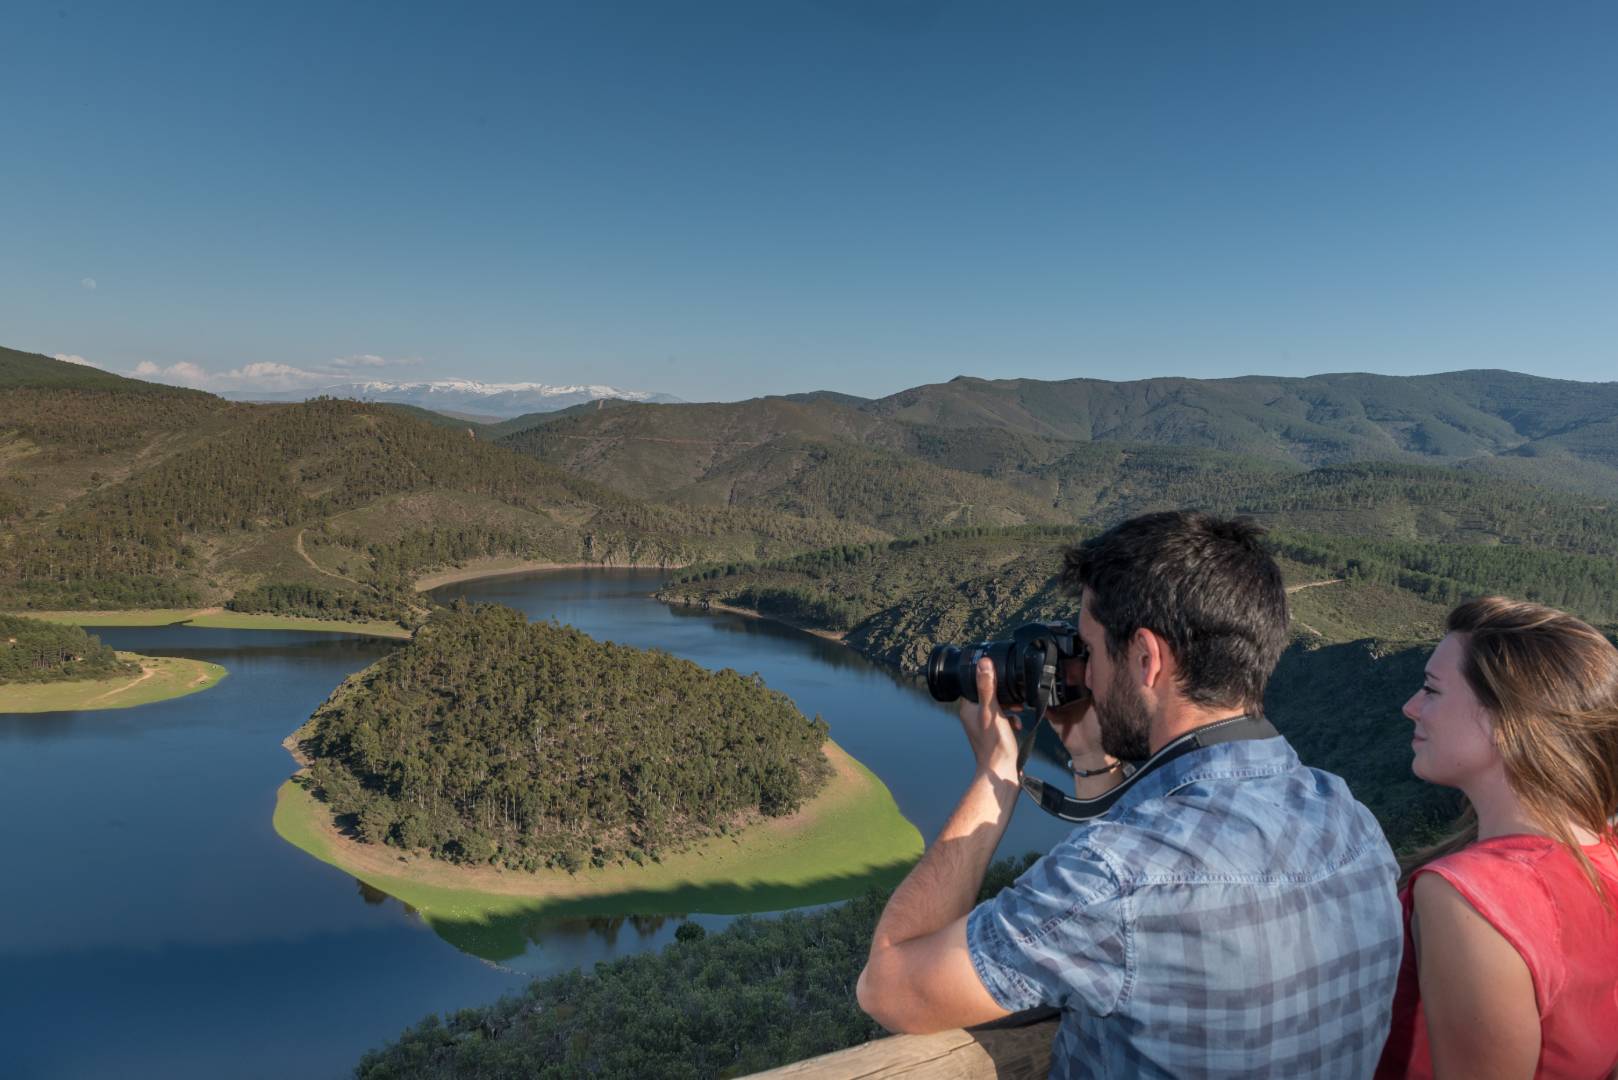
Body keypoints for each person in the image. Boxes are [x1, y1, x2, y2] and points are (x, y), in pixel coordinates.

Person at [856, 511, 1404, 1077]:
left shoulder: (1113, 878)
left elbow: (889, 987)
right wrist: (1093, 759)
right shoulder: (1351, 821)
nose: (1085, 677)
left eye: (1090, 652)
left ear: (1146, 658)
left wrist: (995, 774)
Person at [1375, 597, 1618, 1079]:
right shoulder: (1603, 858)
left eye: (1431, 690)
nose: (1411, 707)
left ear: (1506, 722)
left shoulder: (1469, 897)